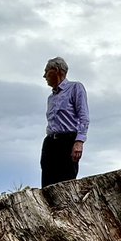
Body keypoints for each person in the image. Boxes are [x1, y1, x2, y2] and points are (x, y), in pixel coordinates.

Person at [41, 57, 89, 187]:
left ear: (56, 71)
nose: (44, 75)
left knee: (66, 184)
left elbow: (83, 116)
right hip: (50, 142)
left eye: (46, 71)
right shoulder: (51, 98)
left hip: (67, 141)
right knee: (47, 185)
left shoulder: (75, 88)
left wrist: (79, 142)